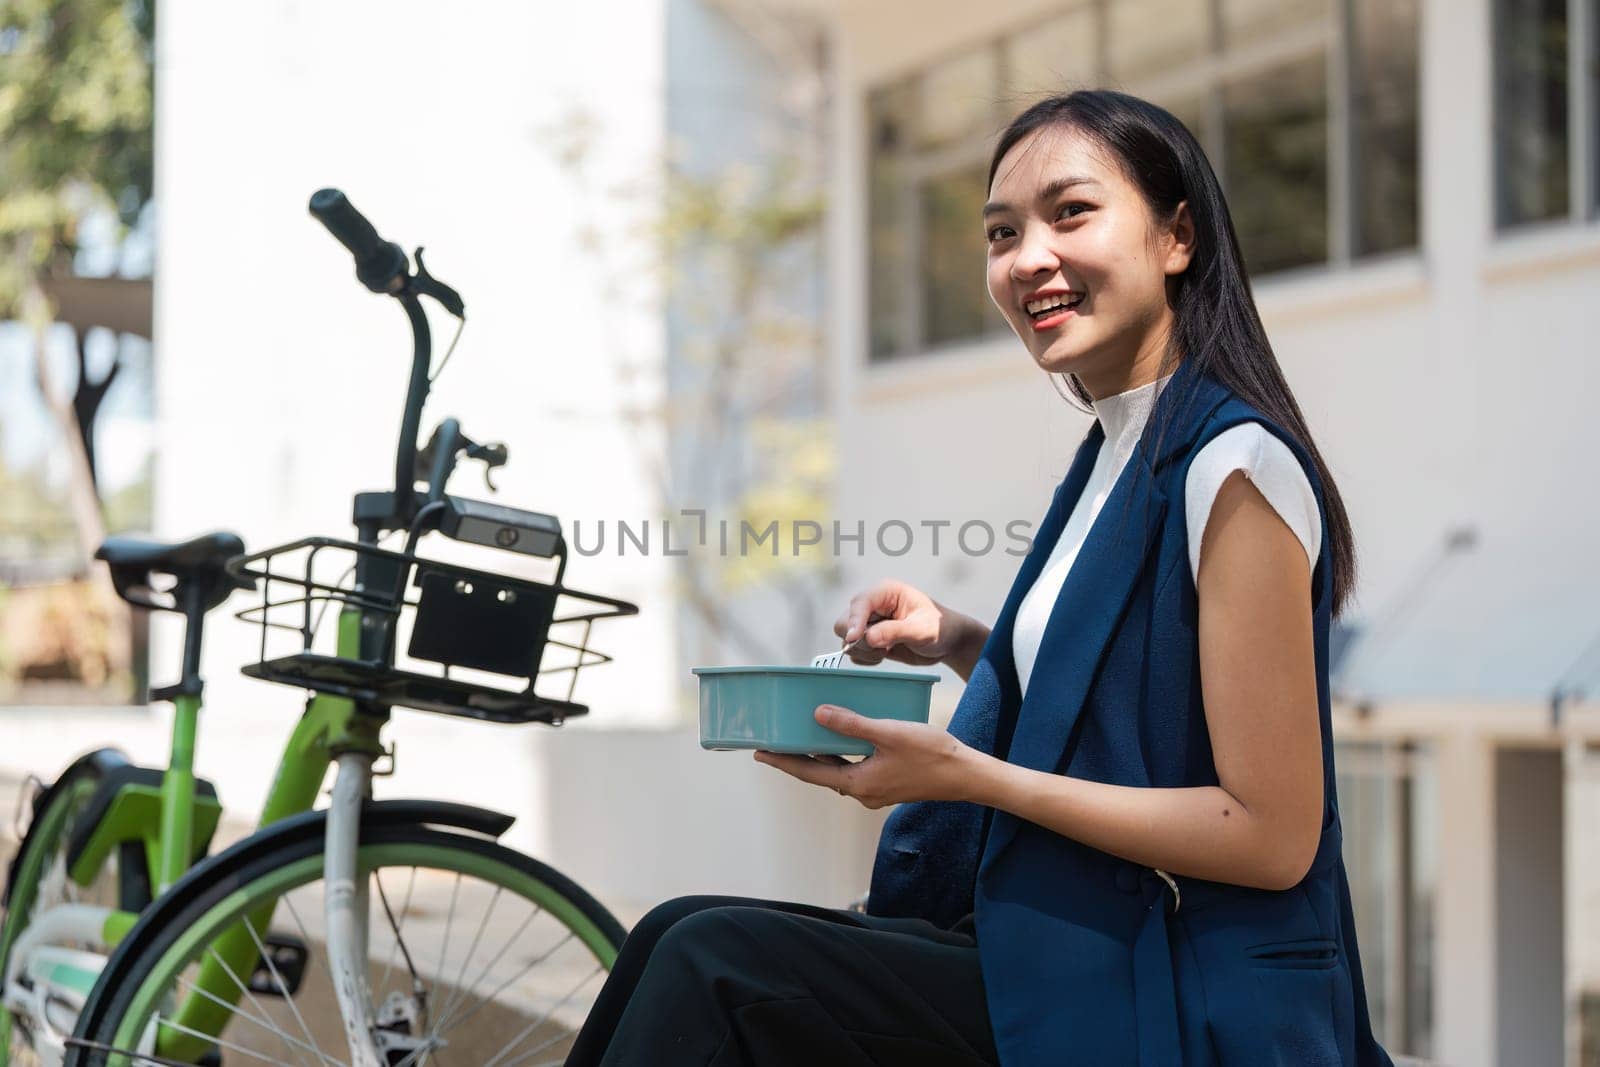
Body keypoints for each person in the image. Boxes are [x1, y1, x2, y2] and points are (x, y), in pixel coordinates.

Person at [563, 89, 1393, 1067]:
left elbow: (1269, 834)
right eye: (1002, 232)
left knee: (715, 962)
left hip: (1173, 994)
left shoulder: (1235, 465)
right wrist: (956, 638)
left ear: (1177, 236)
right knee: (677, 925)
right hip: (1079, 947)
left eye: (1069, 213)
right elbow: (1121, 681)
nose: (1027, 256)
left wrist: (968, 775)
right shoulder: (1116, 447)